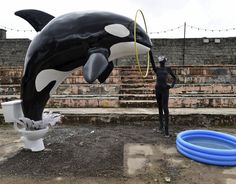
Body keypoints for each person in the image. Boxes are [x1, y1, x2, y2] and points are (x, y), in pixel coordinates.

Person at [149, 51, 176, 137]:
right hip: (158, 90)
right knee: (160, 108)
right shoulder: (157, 69)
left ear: (164, 61)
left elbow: (175, 78)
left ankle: (166, 131)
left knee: (165, 109)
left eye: (162, 59)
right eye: (160, 59)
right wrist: (149, 52)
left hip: (165, 90)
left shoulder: (168, 69)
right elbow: (152, 62)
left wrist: (171, 86)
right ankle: (161, 127)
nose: (161, 61)